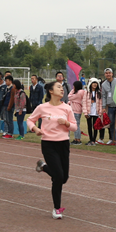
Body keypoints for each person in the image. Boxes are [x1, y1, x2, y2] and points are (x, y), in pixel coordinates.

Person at [28, 81, 78, 219]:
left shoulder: (66, 108)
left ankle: (43, 167)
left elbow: (74, 127)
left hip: (63, 144)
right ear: (51, 91)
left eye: (62, 88)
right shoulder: (42, 107)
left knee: (64, 178)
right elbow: (30, 120)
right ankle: (57, 209)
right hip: (48, 144)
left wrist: (66, 123)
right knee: (58, 177)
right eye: (59, 87)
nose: (62, 90)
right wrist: (35, 129)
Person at [100, 68, 116, 145]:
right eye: (106, 73)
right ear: (105, 75)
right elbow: (103, 96)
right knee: (111, 123)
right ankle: (113, 139)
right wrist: (103, 107)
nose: (108, 74)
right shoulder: (103, 84)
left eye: (109, 73)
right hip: (110, 106)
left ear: (112, 74)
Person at [84, 78, 102, 146]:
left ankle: (94, 140)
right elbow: (84, 102)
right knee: (89, 126)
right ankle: (90, 139)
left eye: (96, 83)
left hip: (96, 112)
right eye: (93, 83)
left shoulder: (99, 93)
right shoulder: (86, 92)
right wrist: (85, 112)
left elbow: (100, 103)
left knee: (95, 126)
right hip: (89, 111)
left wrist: (100, 112)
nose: (94, 84)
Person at [68, 81, 85, 145]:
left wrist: (73, 90)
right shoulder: (79, 92)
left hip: (76, 110)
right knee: (75, 124)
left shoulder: (79, 92)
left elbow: (69, 97)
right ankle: (76, 138)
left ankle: (78, 139)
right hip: (75, 110)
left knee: (76, 125)